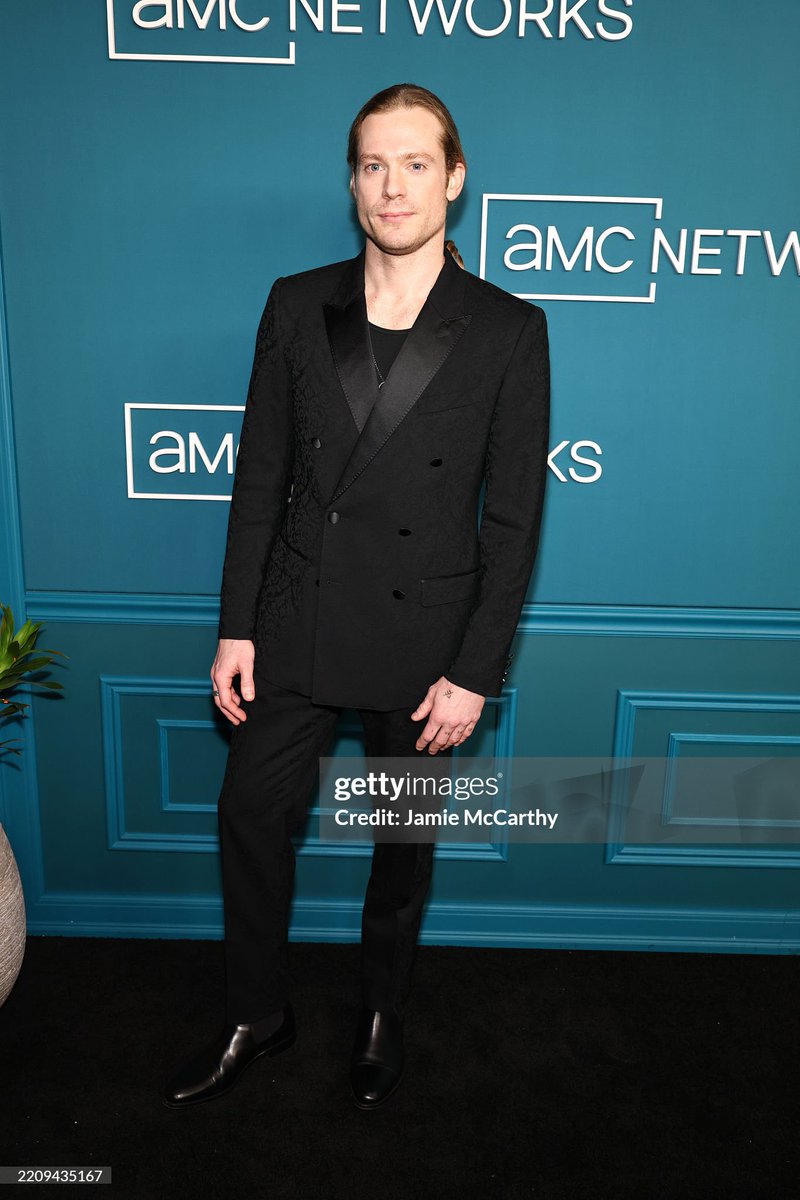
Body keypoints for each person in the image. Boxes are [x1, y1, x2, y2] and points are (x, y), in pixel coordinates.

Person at [162, 83, 550, 1112]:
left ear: (454, 179)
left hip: (423, 639)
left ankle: (382, 1009)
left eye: (415, 164)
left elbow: (513, 522)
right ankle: (256, 1012)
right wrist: (236, 624)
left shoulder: (508, 329)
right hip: (295, 613)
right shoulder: (297, 304)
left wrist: (475, 671)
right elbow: (260, 477)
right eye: (374, 165)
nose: (393, 186)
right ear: (352, 182)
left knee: (401, 843)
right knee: (249, 813)